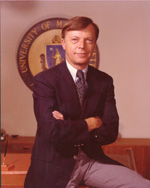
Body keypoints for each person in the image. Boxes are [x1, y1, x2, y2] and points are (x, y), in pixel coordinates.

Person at [24, 16, 150, 188]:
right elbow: (52, 130)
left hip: (92, 161)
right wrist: (91, 122)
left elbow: (111, 131)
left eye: (88, 40)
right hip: (54, 166)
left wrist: (68, 127)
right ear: (63, 43)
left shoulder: (104, 81)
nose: (81, 46)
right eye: (74, 40)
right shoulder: (45, 80)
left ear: (94, 44)